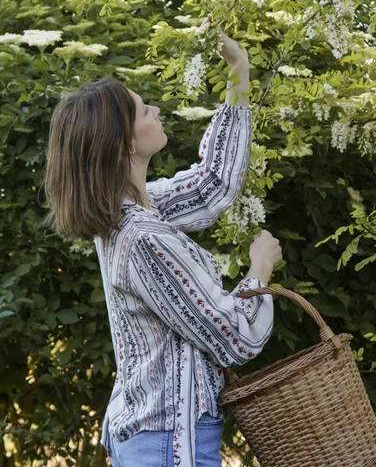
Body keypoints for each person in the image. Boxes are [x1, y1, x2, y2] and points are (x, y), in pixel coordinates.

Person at [42, 23, 282, 467]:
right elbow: (234, 337)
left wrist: (238, 70)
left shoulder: (132, 210)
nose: (154, 109)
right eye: (141, 110)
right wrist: (260, 269)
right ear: (125, 142)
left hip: (156, 437)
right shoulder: (143, 238)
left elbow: (212, 184)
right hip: (168, 444)